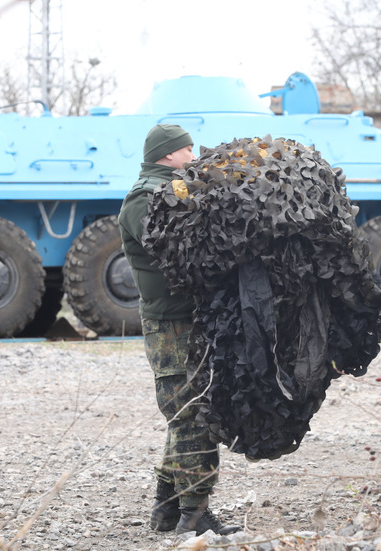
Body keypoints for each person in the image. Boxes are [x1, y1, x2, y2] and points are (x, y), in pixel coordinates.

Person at [118, 124, 241, 537]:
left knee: (184, 413)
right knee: (193, 415)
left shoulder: (172, 189)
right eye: (187, 148)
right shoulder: (144, 198)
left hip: (187, 319)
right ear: (167, 155)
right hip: (171, 324)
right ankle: (195, 514)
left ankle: (167, 509)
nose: (193, 153)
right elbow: (174, 245)